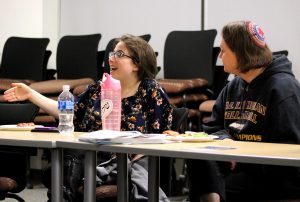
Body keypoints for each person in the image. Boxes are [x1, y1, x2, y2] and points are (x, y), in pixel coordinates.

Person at [4, 34, 172, 201]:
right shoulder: (99, 88)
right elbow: (68, 112)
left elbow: (160, 136)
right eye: (112, 54)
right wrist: (31, 94)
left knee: (65, 163)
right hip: (87, 156)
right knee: (68, 155)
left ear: (137, 63)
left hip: (121, 162)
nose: (111, 59)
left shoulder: (151, 91)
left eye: (119, 54)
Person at [186, 21, 300, 202]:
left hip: (274, 178)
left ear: (241, 53)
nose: (220, 57)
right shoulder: (234, 86)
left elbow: (288, 151)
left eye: (224, 51)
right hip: (237, 168)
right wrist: (225, 140)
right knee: (196, 158)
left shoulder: (283, 89)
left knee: (208, 188)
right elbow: (214, 129)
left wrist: (240, 157)